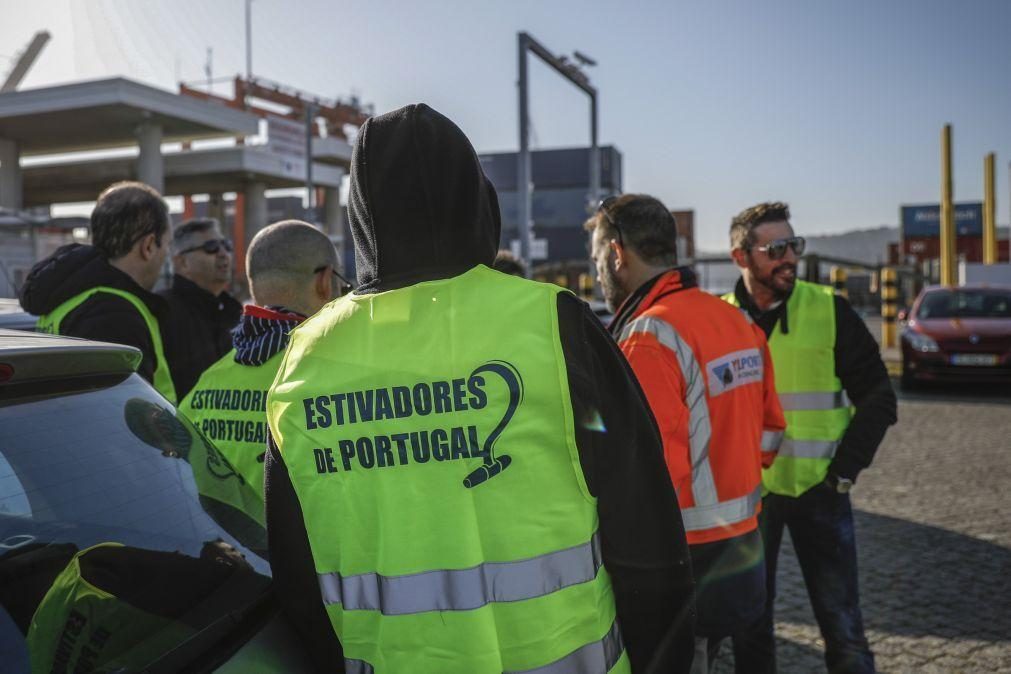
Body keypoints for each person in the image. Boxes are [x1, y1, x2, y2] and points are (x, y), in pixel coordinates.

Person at [264, 104, 695, 673]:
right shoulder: (555, 324)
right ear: (478, 200)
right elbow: (646, 536)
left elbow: (295, 577)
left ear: (363, 218)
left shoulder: (304, 357)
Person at [586, 194, 786, 673]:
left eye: (596, 259)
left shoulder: (648, 338)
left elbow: (643, 482)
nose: (596, 273)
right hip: (741, 547)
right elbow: (771, 432)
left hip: (683, 571)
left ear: (617, 254)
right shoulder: (734, 320)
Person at [722, 202, 897, 674]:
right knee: (750, 625)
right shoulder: (718, 322)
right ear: (741, 257)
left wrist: (843, 472)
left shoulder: (828, 310)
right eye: (774, 248)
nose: (789, 257)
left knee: (843, 625)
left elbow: (880, 397)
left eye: (793, 245)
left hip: (820, 491)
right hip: (748, 501)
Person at [179, 220, 338, 507]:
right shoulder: (333, 375)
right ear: (324, 281)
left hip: (228, 546)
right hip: (304, 550)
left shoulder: (208, 382)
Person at [20, 181, 177, 403]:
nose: (166, 256)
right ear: (149, 246)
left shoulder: (74, 294)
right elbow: (128, 416)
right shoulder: (116, 315)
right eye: (167, 245)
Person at [159, 218, 242, 399]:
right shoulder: (162, 311)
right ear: (182, 262)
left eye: (226, 246)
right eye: (211, 247)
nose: (223, 253)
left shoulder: (234, 312)